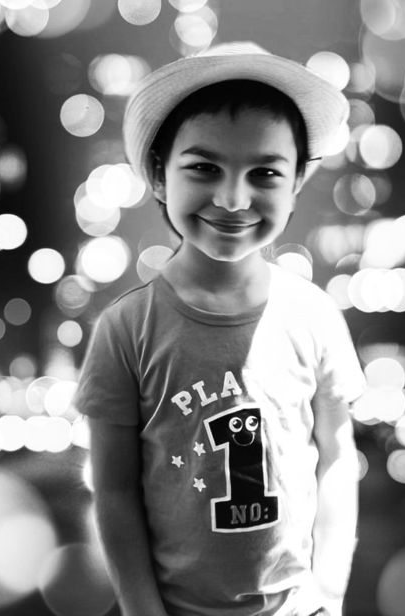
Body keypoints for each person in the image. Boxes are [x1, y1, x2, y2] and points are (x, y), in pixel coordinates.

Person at [75, 42, 366, 616]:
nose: (233, 198)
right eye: (205, 168)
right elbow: (114, 490)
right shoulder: (126, 329)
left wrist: (329, 592)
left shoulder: (313, 316)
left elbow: (335, 456)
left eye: (265, 173)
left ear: (296, 183)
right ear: (159, 175)